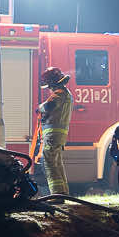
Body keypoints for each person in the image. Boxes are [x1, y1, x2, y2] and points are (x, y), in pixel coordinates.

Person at [37, 67, 72, 200]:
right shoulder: (66, 93)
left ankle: (57, 196)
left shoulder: (59, 93)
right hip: (58, 135)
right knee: (57, 164)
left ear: (53, 83)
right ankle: (63, 193)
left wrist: (39, 108)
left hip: (53, 135)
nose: (49, 89)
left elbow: (49, 106)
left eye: (49, 85)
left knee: (50, 163)